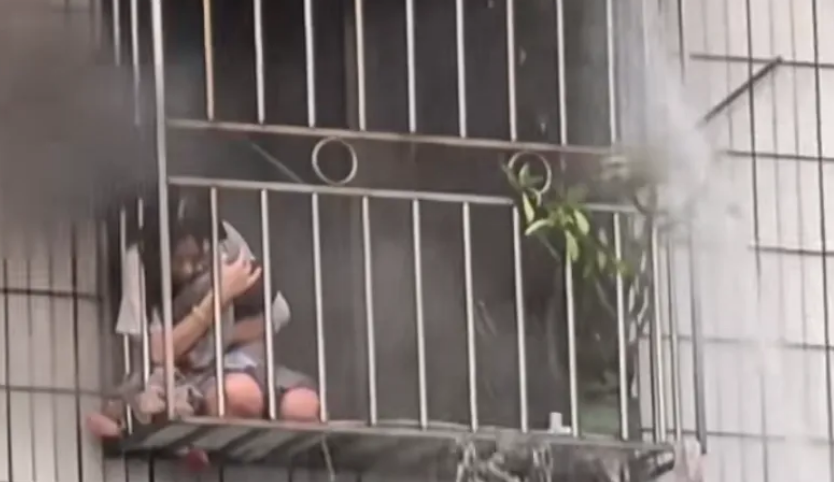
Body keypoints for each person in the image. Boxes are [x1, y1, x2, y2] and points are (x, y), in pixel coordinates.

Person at [86, 196, 320, 454]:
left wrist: (219, 336)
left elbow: (277, 315)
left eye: (197, 258)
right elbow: (158, 352)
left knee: (304, 406)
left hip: (242, 360)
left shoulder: (225, 240)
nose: (189, 269)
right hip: (189, 376)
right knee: (238, 395)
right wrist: (216, 300)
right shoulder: (139, 259)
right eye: (179, 260)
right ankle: (196, 446)